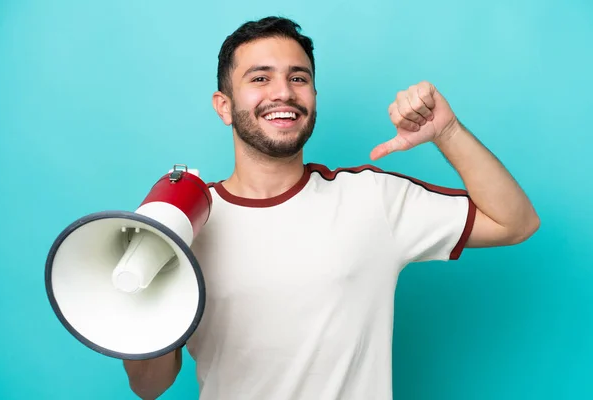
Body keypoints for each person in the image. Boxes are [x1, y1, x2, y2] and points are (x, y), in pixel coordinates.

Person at [123, 16, 540, 400]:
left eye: (298, 77)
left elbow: (516, 223)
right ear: (224, 105)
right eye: (260, 78)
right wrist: (138, 292)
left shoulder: (373, 199)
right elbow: (150, 386)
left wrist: (447, 131)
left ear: (314, 97)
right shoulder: (185, 222)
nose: (283, 92)